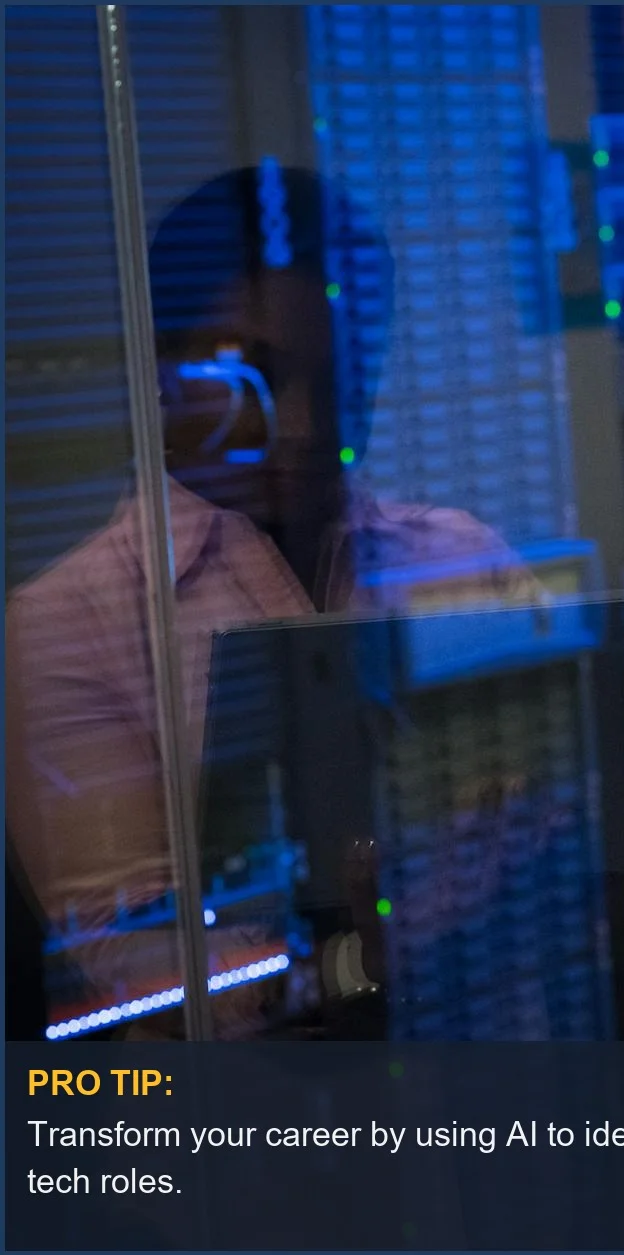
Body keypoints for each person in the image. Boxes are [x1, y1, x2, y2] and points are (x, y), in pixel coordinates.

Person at [5, 166, 539, 1038]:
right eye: (256, 377)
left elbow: (566, 831)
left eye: (337, 380)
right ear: (163, 373)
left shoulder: (461, 557)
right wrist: (401, 930)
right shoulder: (68, 624)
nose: (298, 426)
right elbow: (159, 969)